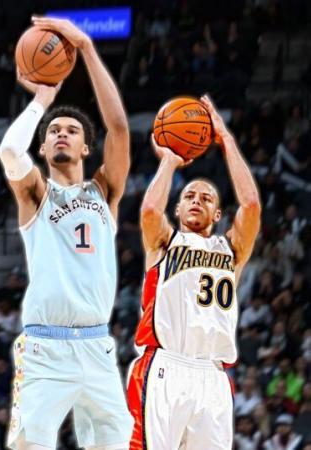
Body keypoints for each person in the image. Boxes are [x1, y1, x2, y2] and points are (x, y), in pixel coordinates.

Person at [0, 16, 132, 450]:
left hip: (97, 345)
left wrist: (88, 49)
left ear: (85, 148)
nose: (61, 133)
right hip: (45, 349)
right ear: (44, 147)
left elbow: (119, 128)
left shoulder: (105, 190)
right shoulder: (36, 194)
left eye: (71, 130)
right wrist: (42, 99)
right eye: (54, 130)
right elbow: (8, 150)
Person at [128, 95, 261, 449]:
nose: (198, 200)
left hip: (213, 376)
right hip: (166, 368)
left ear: (218, 215)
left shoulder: (230, 251)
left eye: (206, 197)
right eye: (190, 196)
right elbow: (148, 212)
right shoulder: (163, 242)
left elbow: (250, 205)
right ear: (178, 207)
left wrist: (226, 139)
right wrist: (170, 162)